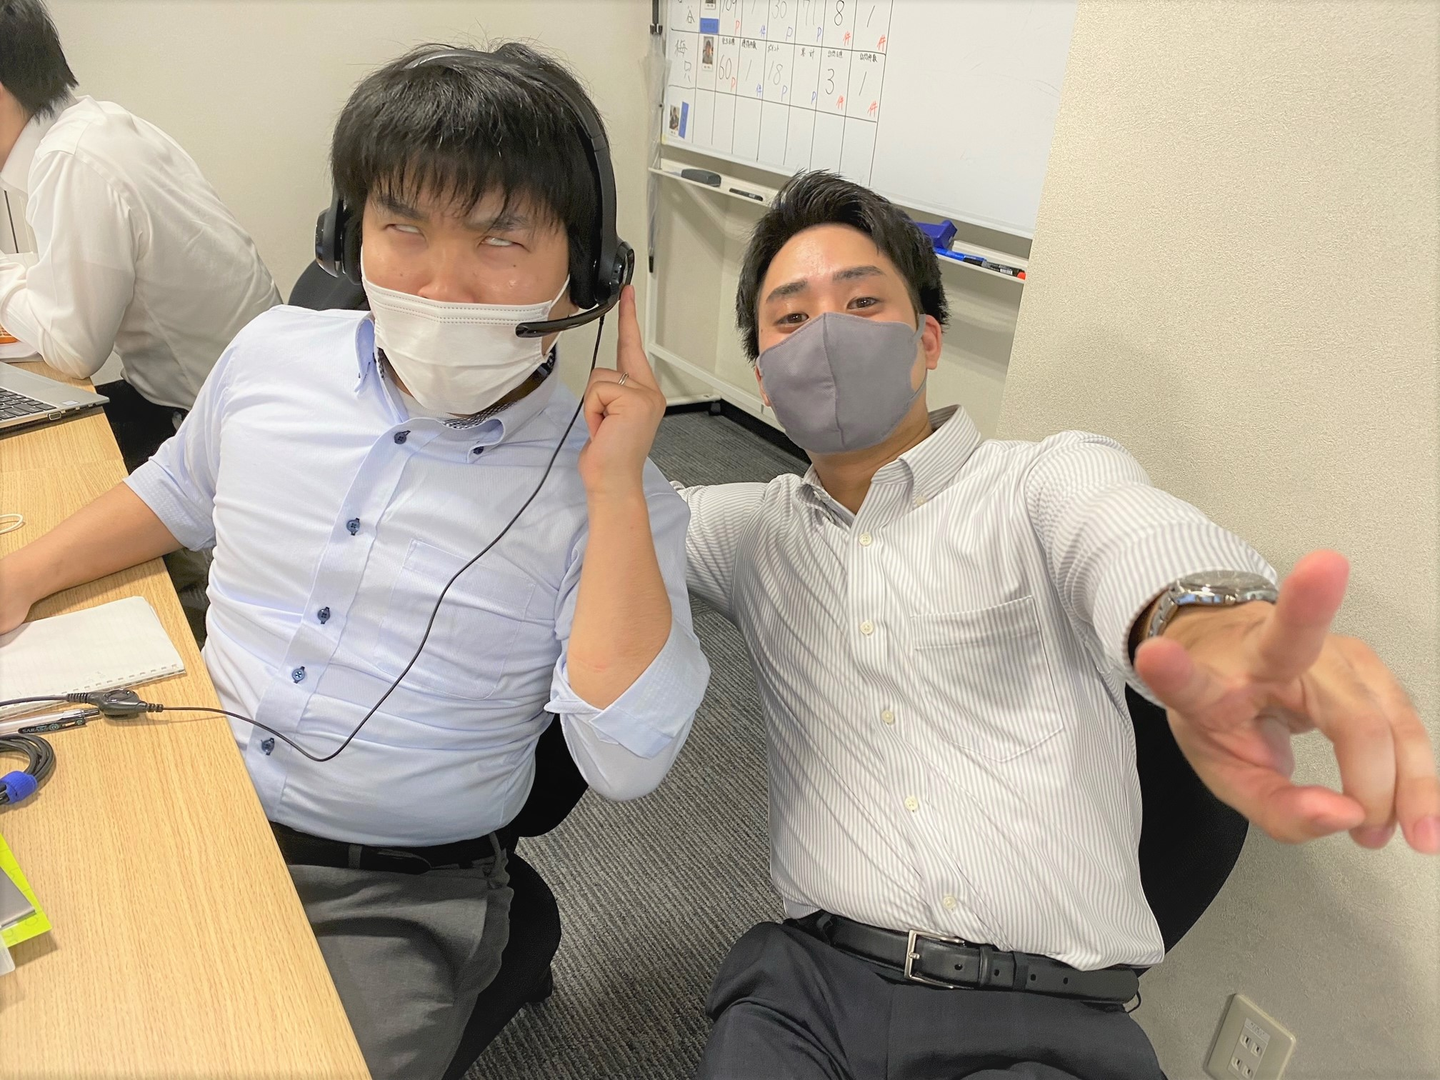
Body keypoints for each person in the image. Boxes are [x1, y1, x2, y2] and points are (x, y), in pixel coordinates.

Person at [0, 43, 709, 1080]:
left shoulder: (618, 496)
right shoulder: (272, 356)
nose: (441, 283)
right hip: (189, 791)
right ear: (348, 235)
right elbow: (178, 490)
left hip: (395, 891)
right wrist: (19, 575)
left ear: (589, 268)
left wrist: (610, 494)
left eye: (500, 238)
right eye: (402, 228)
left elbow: (628, 760)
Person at [674, 171, 1439, 1079]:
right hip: (811, 994)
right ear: (764, 379)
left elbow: (1131, 539)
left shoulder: (1040, 483)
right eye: (792, 318)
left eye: (863, 301)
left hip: (1045, 1022)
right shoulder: (750, 532)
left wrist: (1209, 627)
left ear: (927, 339)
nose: (827, 335)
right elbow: (602, 522)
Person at [0, 0, 280, 471]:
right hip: (238, 393)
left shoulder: (68, 161)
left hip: (212, 430)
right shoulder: (99, 127)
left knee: (29, 471)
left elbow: (73, 351)